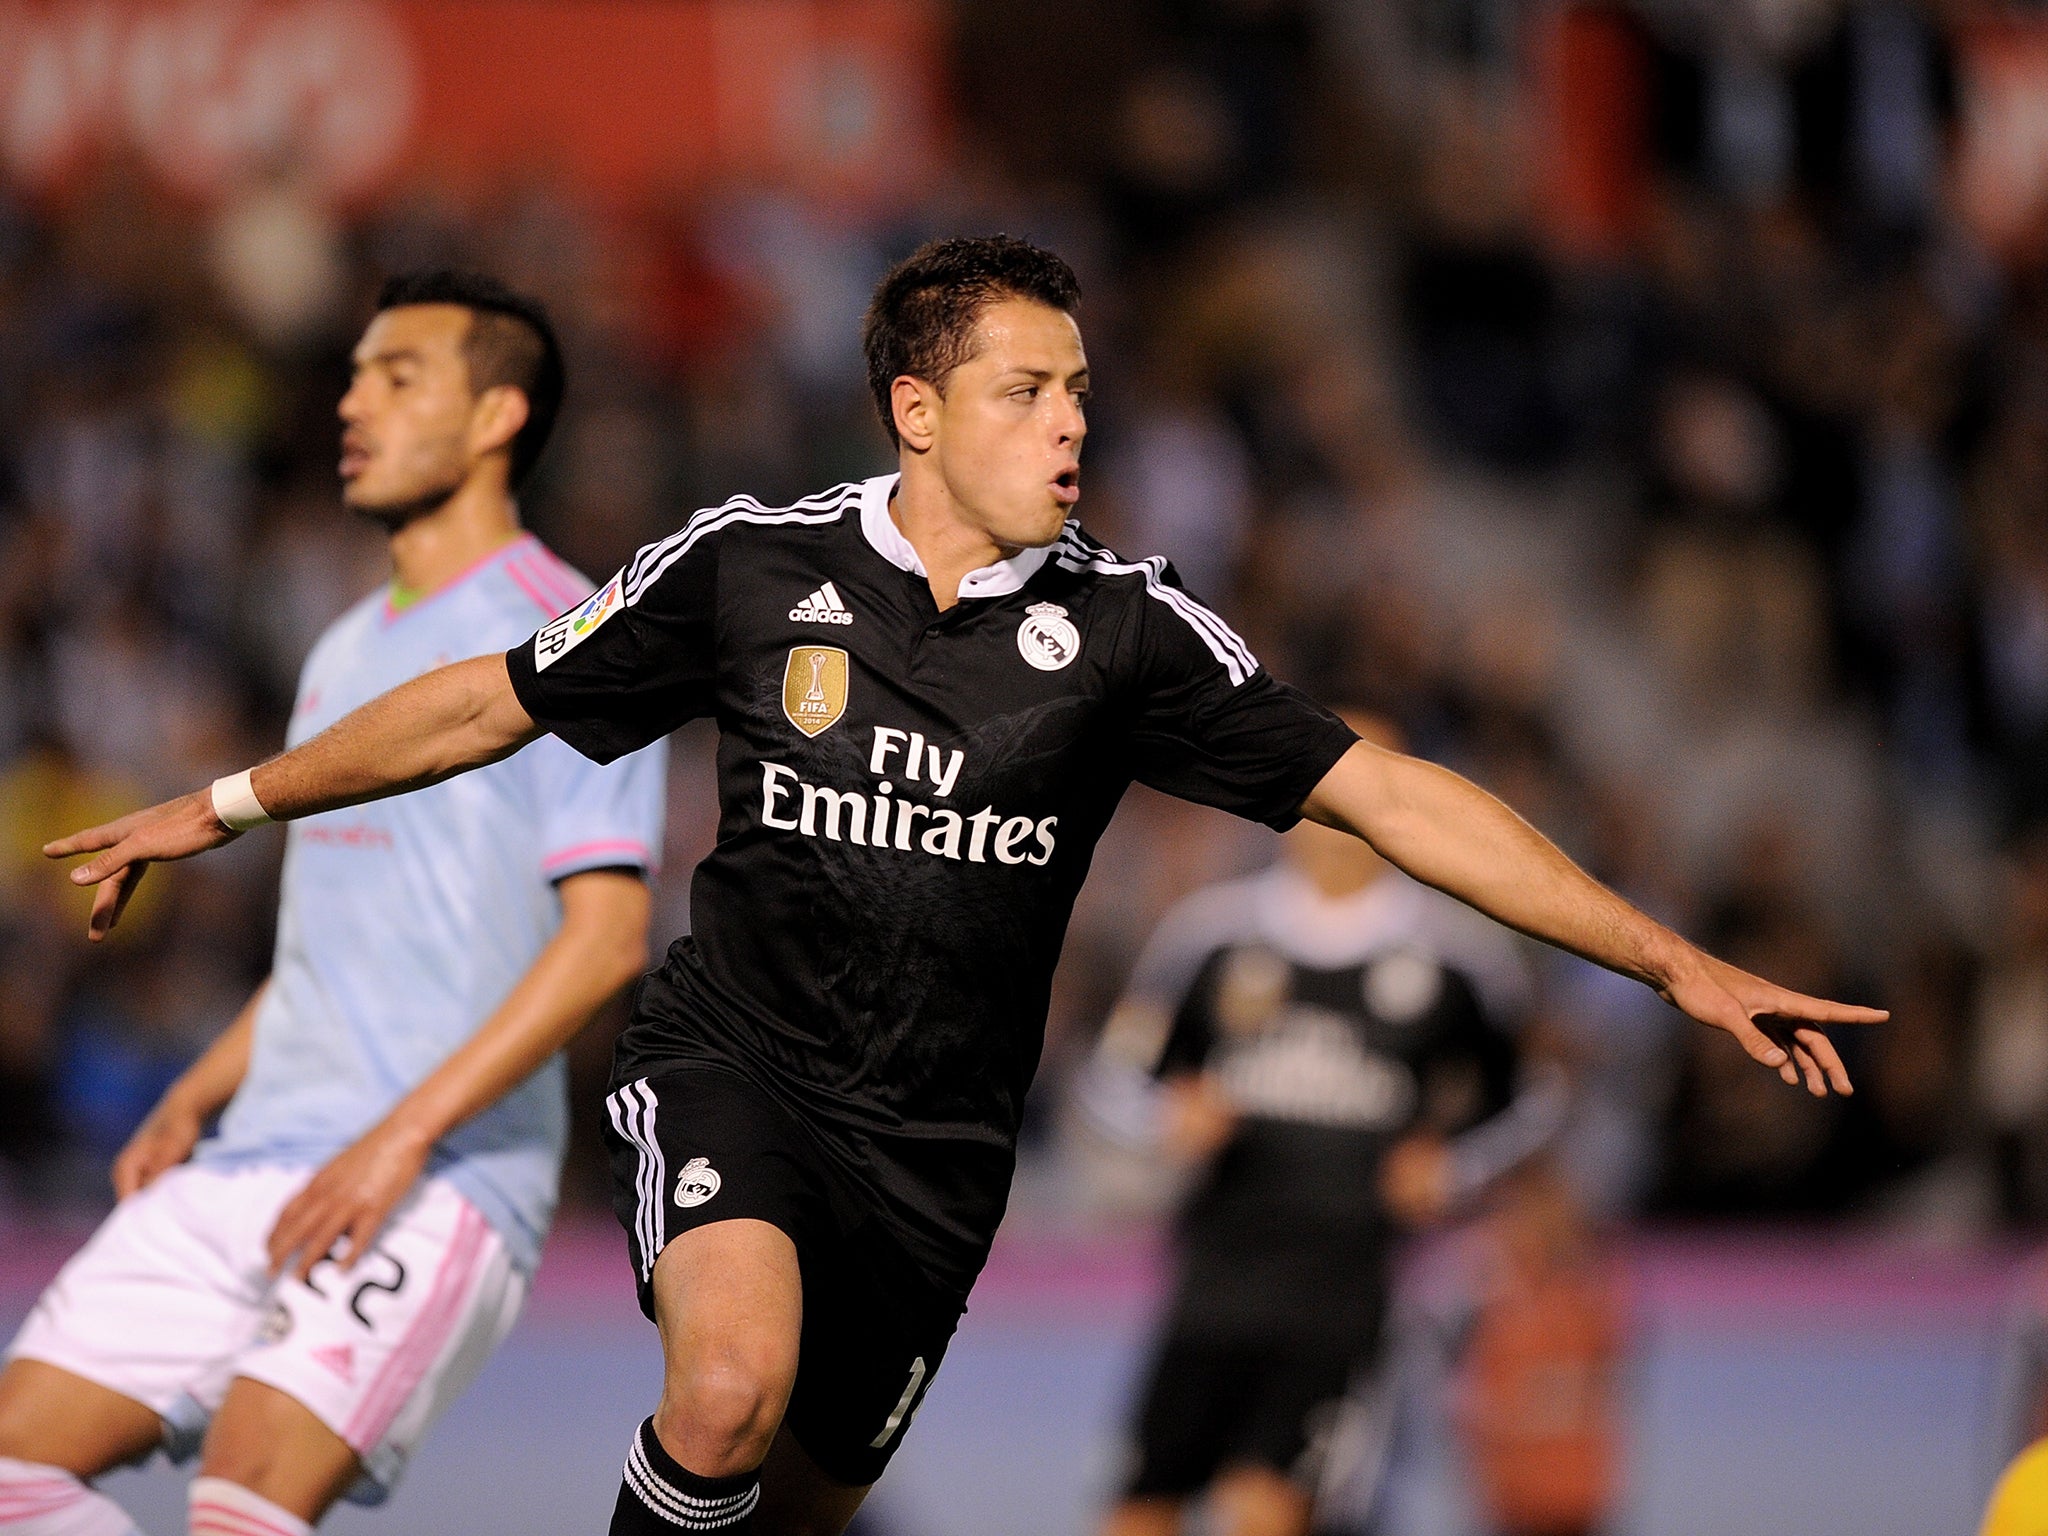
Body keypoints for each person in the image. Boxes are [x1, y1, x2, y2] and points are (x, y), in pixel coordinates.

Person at [42, 236, 1884, 1536]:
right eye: (1026, 390)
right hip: (736, 1071)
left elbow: (1392, 797)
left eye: (1080, 389)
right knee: (722, 1394)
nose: (1071, 424)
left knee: (788, 1500)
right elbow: (480, 702)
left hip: (934, 1159)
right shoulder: (748, 572)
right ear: (915, 411)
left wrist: (1670, 964)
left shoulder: (1127, 631)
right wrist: (225, 801)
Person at [0, 272, 667, 1536]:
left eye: (397, 376)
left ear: (495, 418)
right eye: (354, 374)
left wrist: (401, 1139)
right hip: (259, 1150)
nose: (351, 403)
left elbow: (606, 943)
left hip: (440, 1172)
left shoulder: (582, 643)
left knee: (242, 1499)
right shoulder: (346, 645)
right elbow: (333, 937)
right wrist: (196, 1090)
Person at [1083, 712, 1564, 1536]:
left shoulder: (1452, 957)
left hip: (1343, 1295)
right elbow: (1114, 1076)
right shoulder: (1213, 933)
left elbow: (1530, 1099)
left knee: (1270, 1513)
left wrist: (1452, 1170)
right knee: (1138, 1512)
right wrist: (1171, 1115)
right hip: (1213, 1282)